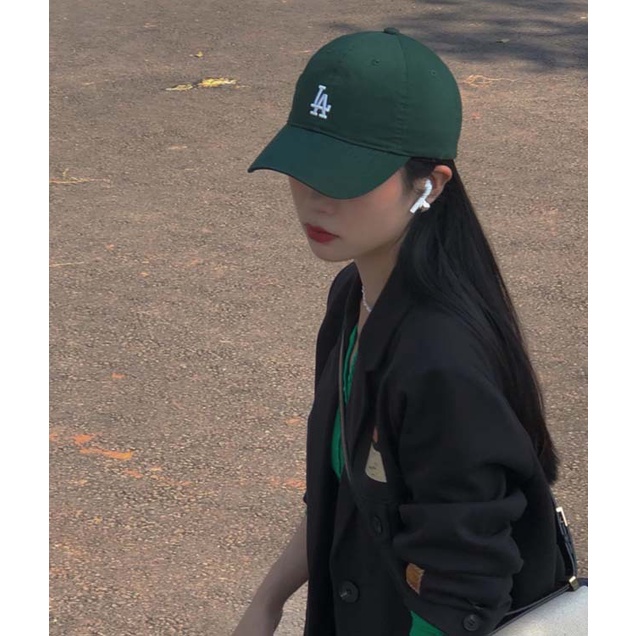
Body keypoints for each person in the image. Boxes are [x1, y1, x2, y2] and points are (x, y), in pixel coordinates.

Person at [232, 28, 570, 636]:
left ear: (430, 185)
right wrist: (267, 601)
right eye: (303, 165)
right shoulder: (353, 296)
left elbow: (463, 595)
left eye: (346, 174)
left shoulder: (441, 361)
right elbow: (341, 491)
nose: (315, 199)